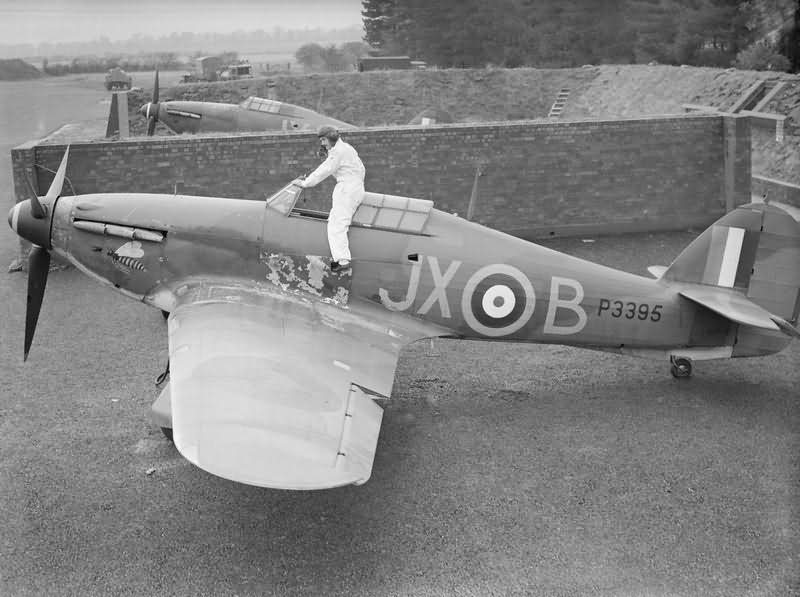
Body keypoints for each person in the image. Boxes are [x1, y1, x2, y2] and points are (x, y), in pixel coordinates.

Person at [299, 126, 365, 271]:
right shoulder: (347, 148)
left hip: (347, 189)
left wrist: (305, 183)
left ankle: (342, 261)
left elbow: (324, 170)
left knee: (337, 224)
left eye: (324, 140)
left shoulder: (338, 152)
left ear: (331, 138)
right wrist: (329, 154)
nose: (322, 143)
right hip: (355, 187)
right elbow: (359, 169)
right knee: (338, 221)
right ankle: (341, 259)